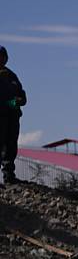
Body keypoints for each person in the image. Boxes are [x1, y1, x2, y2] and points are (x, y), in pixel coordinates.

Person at [0, 46, 27, 185]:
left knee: (11, 147)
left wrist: (19, 100)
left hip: (13, 117)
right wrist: (9, 102)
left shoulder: (12, 75)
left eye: (3, 56)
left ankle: (9, 176)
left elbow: (23, 96)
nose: (2, 59)